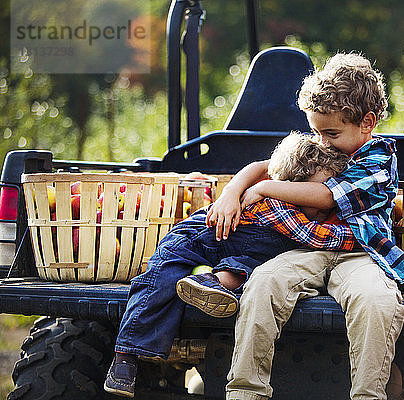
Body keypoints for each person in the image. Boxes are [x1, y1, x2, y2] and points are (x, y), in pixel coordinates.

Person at [206, 53, 404, 400]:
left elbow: (327, 197)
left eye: (330, 132)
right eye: (316, 131)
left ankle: (368, 395)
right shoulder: (325, 141)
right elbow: (265, 164)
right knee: (262, 283)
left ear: (366, 122)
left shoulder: (380, 156)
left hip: (361, 252)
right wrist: (232, 190)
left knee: (376, 300)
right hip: (308, 247)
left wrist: (263, 188)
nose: (322, 141)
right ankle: (245, 392)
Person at [104, 132, 356, 398]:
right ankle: (126, 356)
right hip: (200, 238)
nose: (321, 201)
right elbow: (317, 238)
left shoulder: (289, 202)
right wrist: (366, 239)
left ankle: (208, 282)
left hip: (237, 253)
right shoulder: (280, 206)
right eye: (313, 191)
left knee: (250, 268)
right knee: (161, 277)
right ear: (291, 184)